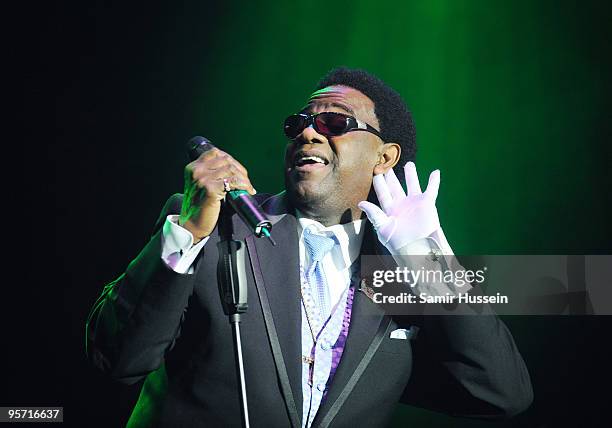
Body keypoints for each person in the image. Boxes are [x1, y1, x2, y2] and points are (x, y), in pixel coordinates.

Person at [87, 67, 533, 427]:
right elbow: (118, 357)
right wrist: (188, 231)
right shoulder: (215, 226)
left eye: (334, 123)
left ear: (385, 157)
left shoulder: (404, 272)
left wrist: (430, 265)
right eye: (299, 123)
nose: (308, 134)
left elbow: (501, 393)